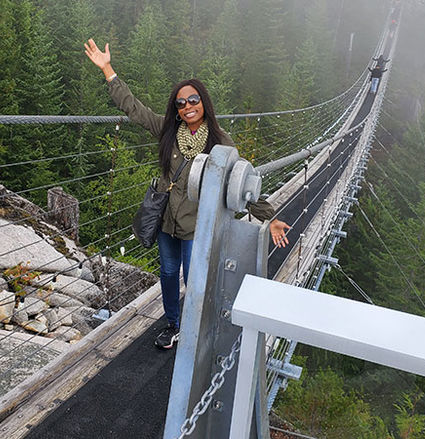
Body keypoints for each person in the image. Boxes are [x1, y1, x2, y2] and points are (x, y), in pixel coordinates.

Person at [85, 39, 291, 349]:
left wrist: (271, 218)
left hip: (197, 224)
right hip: (168, 221)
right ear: (176, 110)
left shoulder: (221, 141)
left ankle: (197, 326)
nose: (188, 107)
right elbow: (134, 110)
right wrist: (108, 70)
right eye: (181, 103)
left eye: (193, 100)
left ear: (203, 102)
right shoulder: (168, 130)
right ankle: (173, 324)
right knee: (168, 273)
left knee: (193, 277)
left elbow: (239, 183)